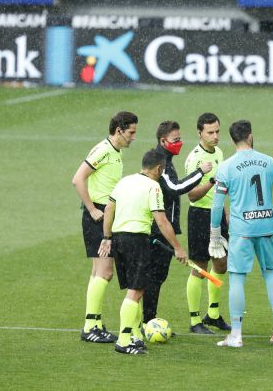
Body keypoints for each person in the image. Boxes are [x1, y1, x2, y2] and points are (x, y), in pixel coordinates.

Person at [209, 120, 273, 348]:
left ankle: (236, 334)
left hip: (242, 231)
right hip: (266, 227)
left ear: (233, 139)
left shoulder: (227, 167)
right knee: (270, 274)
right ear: (250, 136)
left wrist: (215, 234)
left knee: (238, 278)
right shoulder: (270, 163)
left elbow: (217, 205)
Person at [99, 149, 188, 355]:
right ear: (158, 168)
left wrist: (107, 238)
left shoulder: (124, 182)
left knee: (134, 288)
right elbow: (162, 220)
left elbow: (108, 210)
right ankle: (124, 340)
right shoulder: (153, 186)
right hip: (136, 240)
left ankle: (136, 336)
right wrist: (177, 247)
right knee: (136, 291)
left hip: (119, 238)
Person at [72, 111, 138, 344]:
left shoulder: (114, 151)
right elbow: (78, 178)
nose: (133, 137)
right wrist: (92, 210)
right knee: (106, 272)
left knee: (97, 272)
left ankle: (95, 322)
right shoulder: (103, 150)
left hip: (105, 214)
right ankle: (90, 325)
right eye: (131, 132)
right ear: (119, 130)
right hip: (98, 216)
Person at [142, 121, 212, 329]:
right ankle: (146, 322)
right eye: (175, 140)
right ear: (163, 141)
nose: (179, 143)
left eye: (180, 139)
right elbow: (175, 188)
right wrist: (201, 173)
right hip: (158, 228)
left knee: (156, 278)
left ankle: (148, 321)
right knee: (153, 278)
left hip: (162, 227)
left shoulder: (166, 160)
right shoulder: (159, 162)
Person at [184, 113, 231, 334]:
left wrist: (226, 215)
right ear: (200, 133)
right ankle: (195, 321)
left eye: (217, 131)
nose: (215, 136)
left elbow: (222, 189)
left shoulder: (220, 153)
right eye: (210, 132)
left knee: (221, 264)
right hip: (199, 217)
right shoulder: (194, 159)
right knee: (200, 268)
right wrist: (211, 180)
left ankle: (212, 314)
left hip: (217, 214)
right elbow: (191, 195)